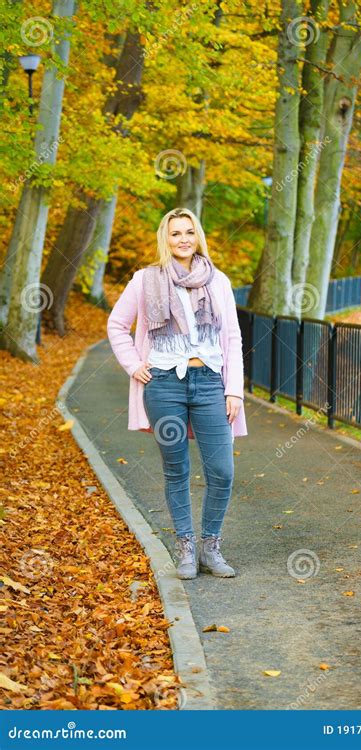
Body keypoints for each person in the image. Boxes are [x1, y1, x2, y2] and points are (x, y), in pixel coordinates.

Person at [107, 207, 248, 580]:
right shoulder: (144, 279)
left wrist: (234, 390)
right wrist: (134, 365)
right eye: (175, 233)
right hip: (164, 385)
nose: (183, 238)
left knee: (222, 470)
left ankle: (211, 546)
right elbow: (117, 325)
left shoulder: (217, 281)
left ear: (197, 236)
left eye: (189, 232)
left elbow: (232, 337)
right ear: (165, 239)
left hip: (210, 384)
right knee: (176, 469)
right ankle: (185, 547)